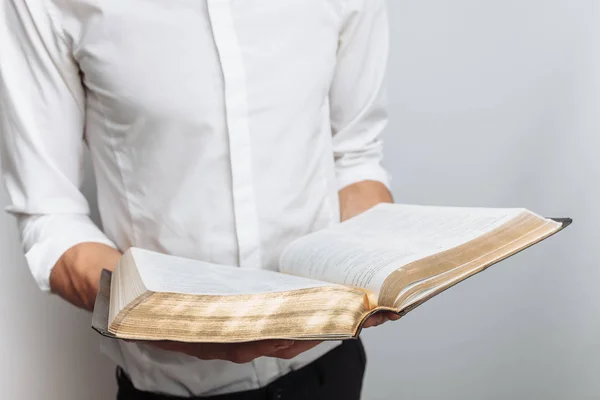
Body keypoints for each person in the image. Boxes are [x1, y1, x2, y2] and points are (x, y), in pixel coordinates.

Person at [0, 0, 398, 398]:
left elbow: (355, 157)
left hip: (329, 369)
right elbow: (50, 216)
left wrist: (375, 276)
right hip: (171, 387)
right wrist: (174, 323)